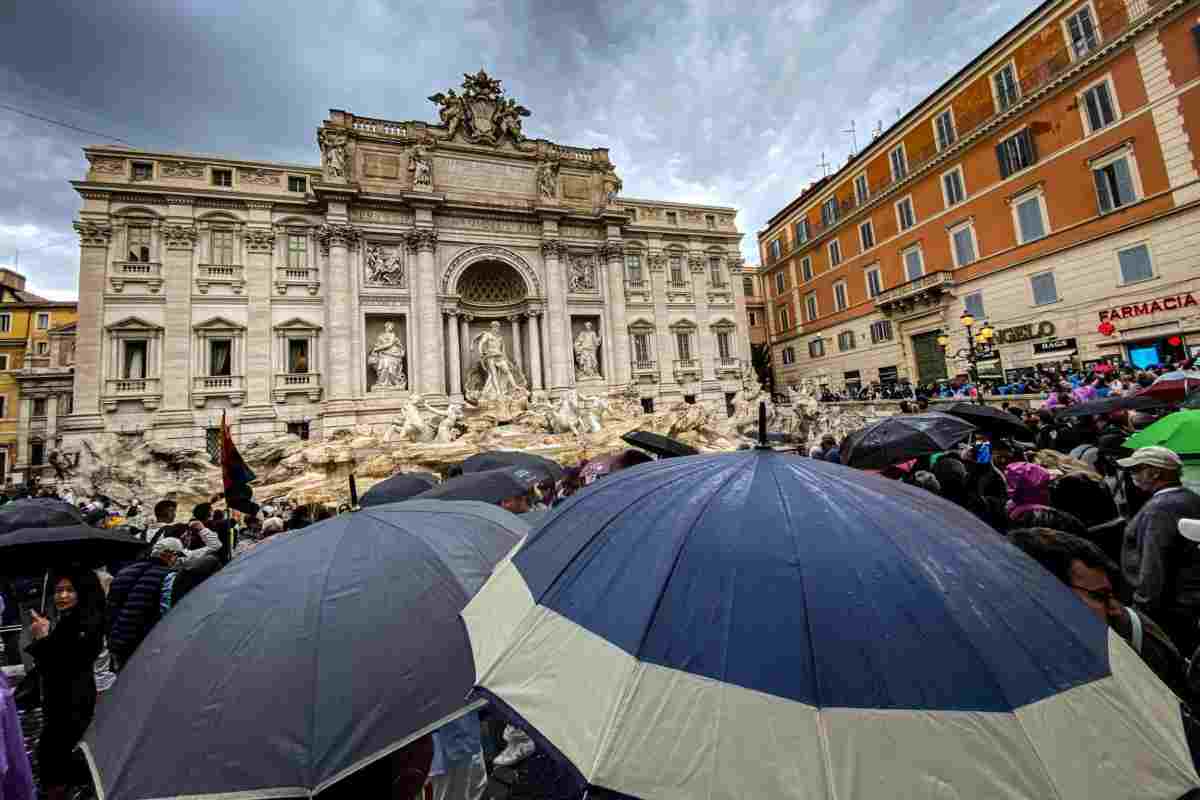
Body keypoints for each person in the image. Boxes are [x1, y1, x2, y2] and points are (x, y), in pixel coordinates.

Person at [1009, 528, 1187, 696]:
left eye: (1110, 595)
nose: (1115, 609)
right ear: (1050, 595)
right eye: (1100, 596)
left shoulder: (1134, 640)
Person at [26, 568, 105, 800]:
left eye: (70, 590)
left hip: (72, 700)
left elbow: (66, 661)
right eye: (58, 591)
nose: (62, 596)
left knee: (58, 755)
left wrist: (43, 638)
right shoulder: (71, 619)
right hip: (60, 698)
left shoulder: (85, 621)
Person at [1119, 446, 1200, 654]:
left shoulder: (1160, 508)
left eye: (1137, 469)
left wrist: (1141, 611)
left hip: (1171, 608)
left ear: (1155, 472)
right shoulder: (1189, 497)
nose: (1133, 475)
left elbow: (1153, 564)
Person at [106, 537, 184, 671]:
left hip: (118, 639)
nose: (177, 561)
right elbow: (166, 612)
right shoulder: (168, 576)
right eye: (177, 557)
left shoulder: (124, 572)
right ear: (168, 554)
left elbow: (111, 606)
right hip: (146, 642)